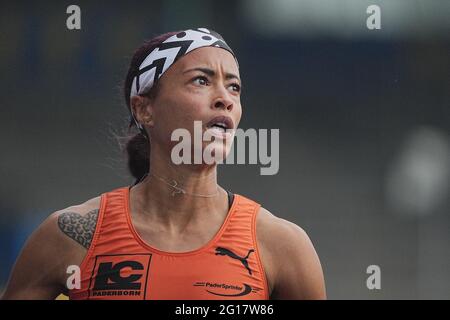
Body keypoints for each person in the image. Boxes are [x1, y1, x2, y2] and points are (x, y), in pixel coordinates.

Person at [1, 28, 326, 300]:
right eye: (201, 80)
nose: (225, 98)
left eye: (234, 86)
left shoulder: (282, 246)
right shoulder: (70, 235)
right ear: (144, 109)